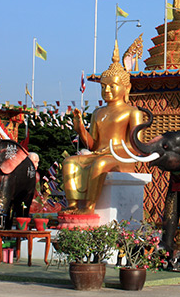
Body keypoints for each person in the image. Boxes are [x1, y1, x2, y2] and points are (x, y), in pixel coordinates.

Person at [61, 40, 146, 213]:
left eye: (112, 86)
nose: (107, 90)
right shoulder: (98, 112)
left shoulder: (132, 112)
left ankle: (90, 207)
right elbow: (92, 145)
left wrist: (112, 149)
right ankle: (73, 205)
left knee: (99, 164)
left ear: (125, 88)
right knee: (69, 162)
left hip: (121, 159)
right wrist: (80, 129)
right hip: (100, 154)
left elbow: (137, 147)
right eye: (103, 86)